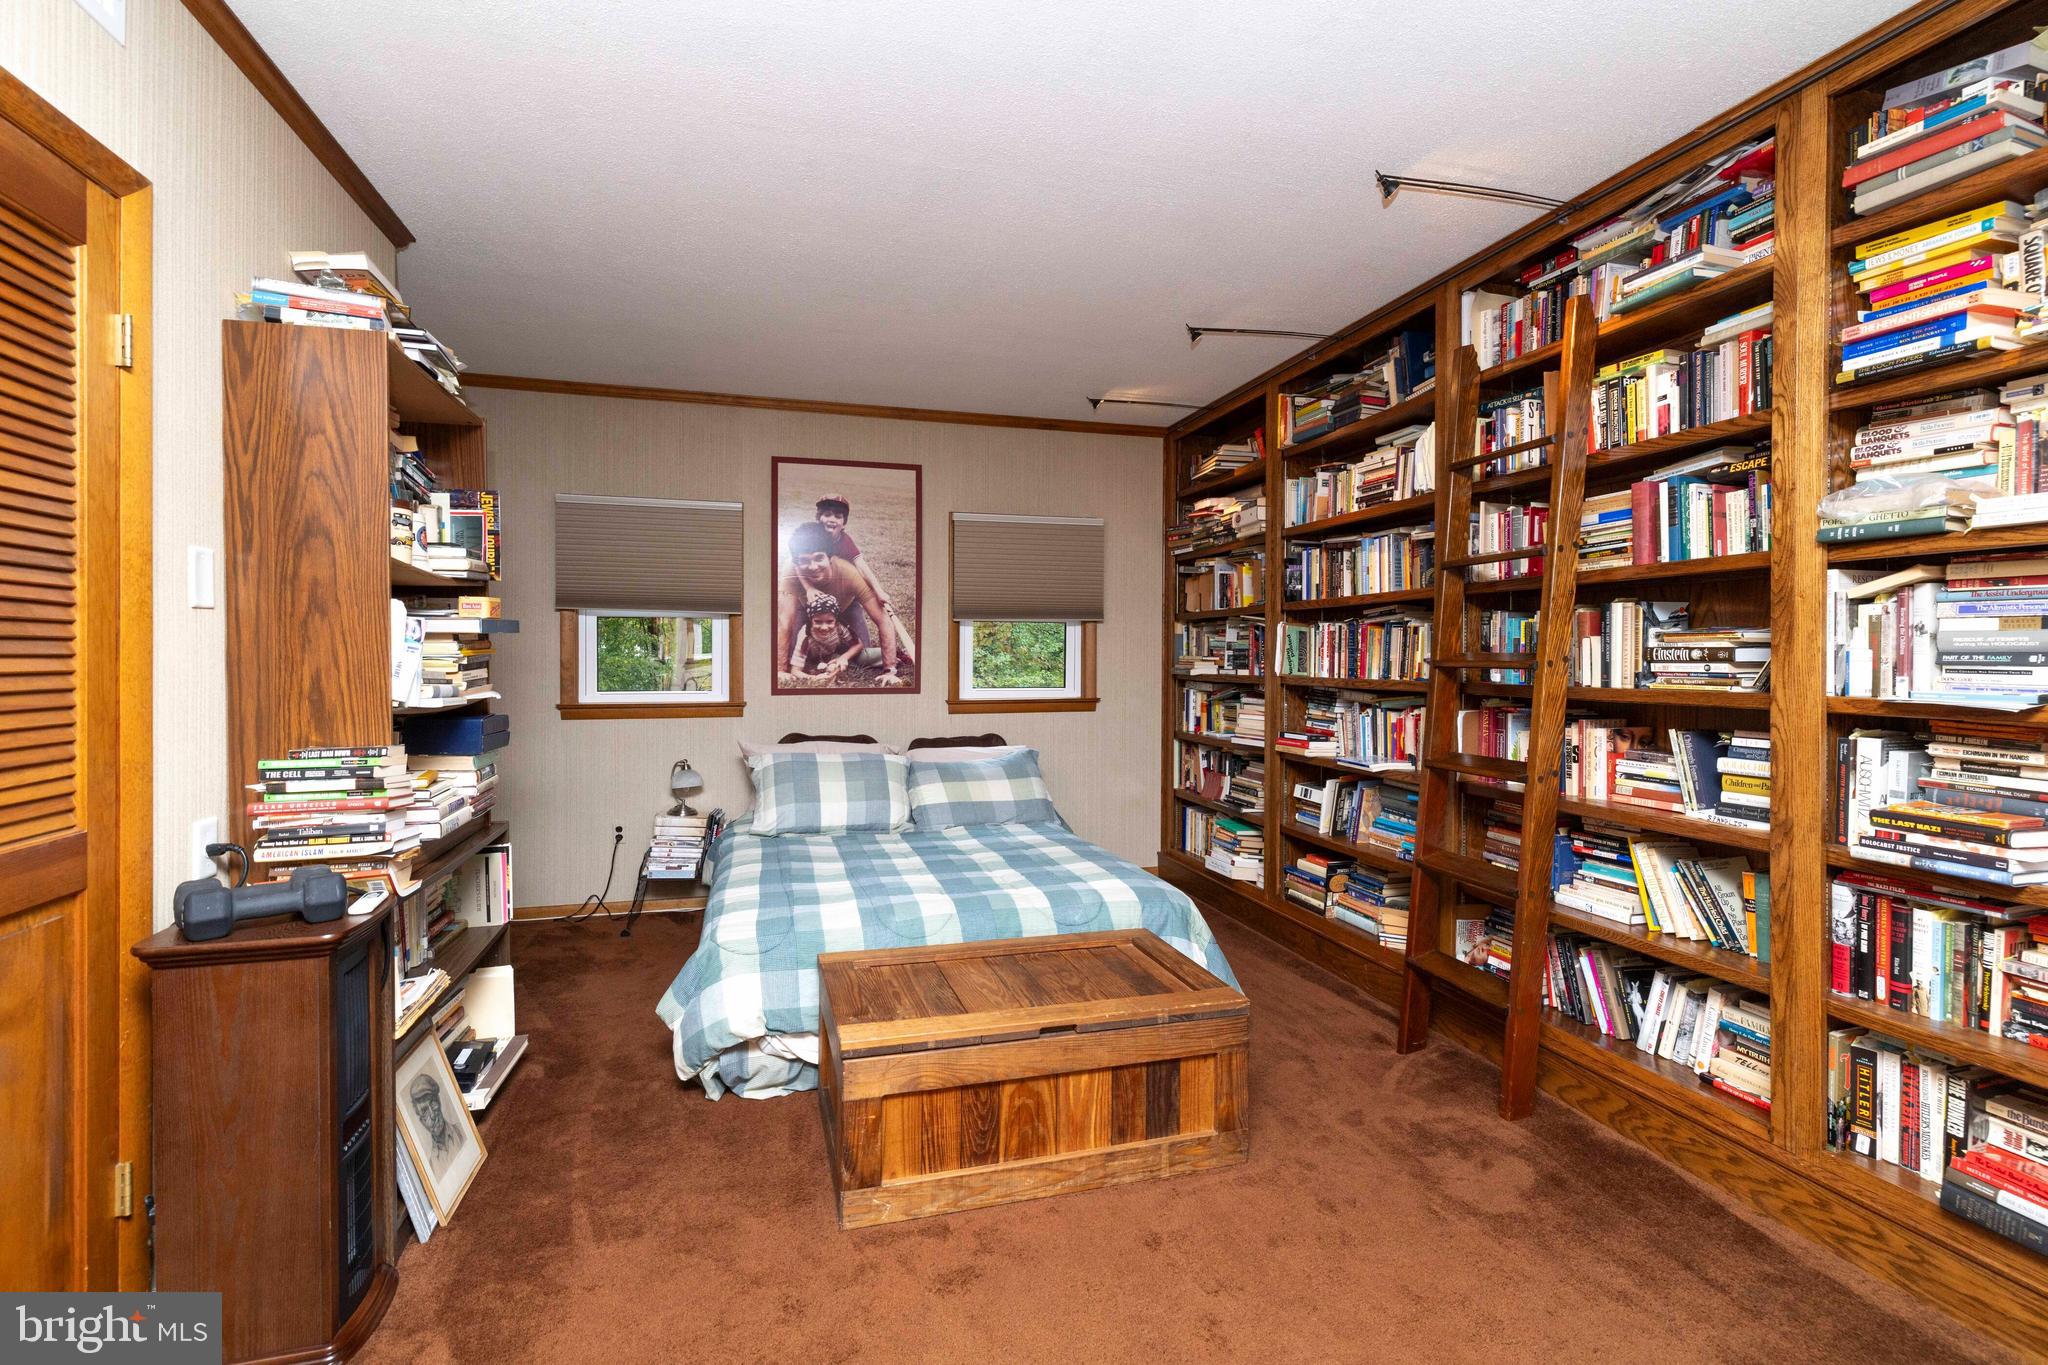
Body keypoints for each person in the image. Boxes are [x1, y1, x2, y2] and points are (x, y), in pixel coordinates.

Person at [776, 522, 901, 686]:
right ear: (796, 563)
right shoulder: (790, 572)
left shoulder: (849, 573)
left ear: (830, 556)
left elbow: (884, 620)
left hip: (846, 608)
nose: (813, 567)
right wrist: (780, 669)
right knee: (794, 654)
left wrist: (889, 671)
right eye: (805, 561)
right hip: (806, 609)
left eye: (819, 558)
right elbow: (785, 622)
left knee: (860, 655)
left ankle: (897, 656)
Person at [811, 492, 914, 666]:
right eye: (827, 514)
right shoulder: (809, 539)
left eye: (838, 516)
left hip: (847, 601)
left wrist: (879, 591)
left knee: (863, 653)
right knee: (806, 650)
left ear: (844, 524)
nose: (832, 519)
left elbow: (862, 567)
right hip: (816, 604)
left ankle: (896, 655)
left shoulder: (845, 541)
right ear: (818, 518)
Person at [793, 598, 882, 678]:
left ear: (836, 620)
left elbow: (858, 645)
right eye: (817, 622)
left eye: (830, 622)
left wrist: (843, 658)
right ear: (810, 620)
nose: (824, 627)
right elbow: (795, 670)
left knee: (865, 655)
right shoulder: (805, 634)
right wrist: (813, 678)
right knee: (842, 665)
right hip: (811, 661)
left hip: (835, 655)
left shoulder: (839, 627)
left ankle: (892, 657)